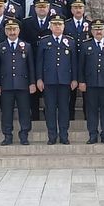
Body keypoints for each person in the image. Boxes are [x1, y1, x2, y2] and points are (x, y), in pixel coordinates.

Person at [0, 19, 36, 146]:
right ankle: (7, 135)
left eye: (14, 29)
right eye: (9, 29)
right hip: (6, 85)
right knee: (6, 111)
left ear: (19, 30)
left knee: (24, 111)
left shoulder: (26, 46)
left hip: (23, 85)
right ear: (5, 31)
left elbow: (31, 67)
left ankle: (24, 135)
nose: (12, 32)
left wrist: (32, 82)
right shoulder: (0, 47)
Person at [36, 17, 78, 145]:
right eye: (55, 24)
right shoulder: (44, 41)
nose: (58, 27)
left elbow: (74, 62)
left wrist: (75, 78)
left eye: (60, 24)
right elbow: (39, 62)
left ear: (64, 26)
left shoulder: (70, 41)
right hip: (49, 81)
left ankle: (64, 135)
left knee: (64, 109)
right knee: (50, 109)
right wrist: (39, 79)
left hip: (65, 81)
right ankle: (52, 136)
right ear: (50, 27)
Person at [78, 20, 104, 144]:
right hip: (91, 84)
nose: (98, 31)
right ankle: (92, 135)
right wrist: (82, 81)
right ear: (91, 31)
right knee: (91, 110)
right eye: (95, 29)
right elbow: (81, 66)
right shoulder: (86, 45)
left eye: (100, 29)